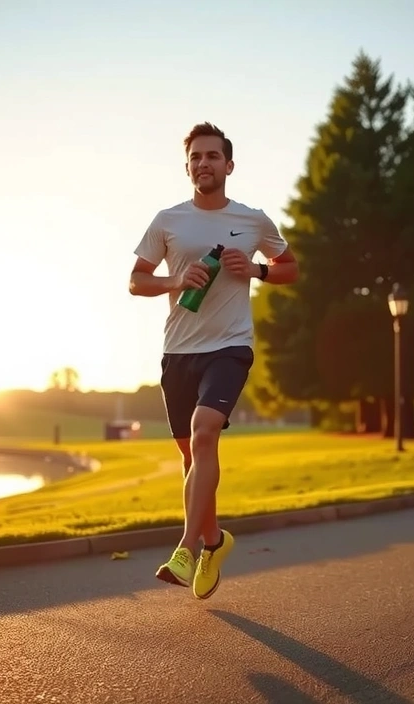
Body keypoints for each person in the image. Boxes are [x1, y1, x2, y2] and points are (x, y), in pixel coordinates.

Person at [128, 122, 299, 599]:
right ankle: (214, 542)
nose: (204, 164)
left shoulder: (253, 221)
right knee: (192, 455)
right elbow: (136, 280)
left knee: (205, 432)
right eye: (196, 158)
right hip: (178, 350)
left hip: (229, 347)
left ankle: (185, 550)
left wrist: (260, 269)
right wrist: (176, 282)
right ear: (188, 167)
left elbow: (292, 267)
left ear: (229, 165)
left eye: (212, 156)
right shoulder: (168, 220)